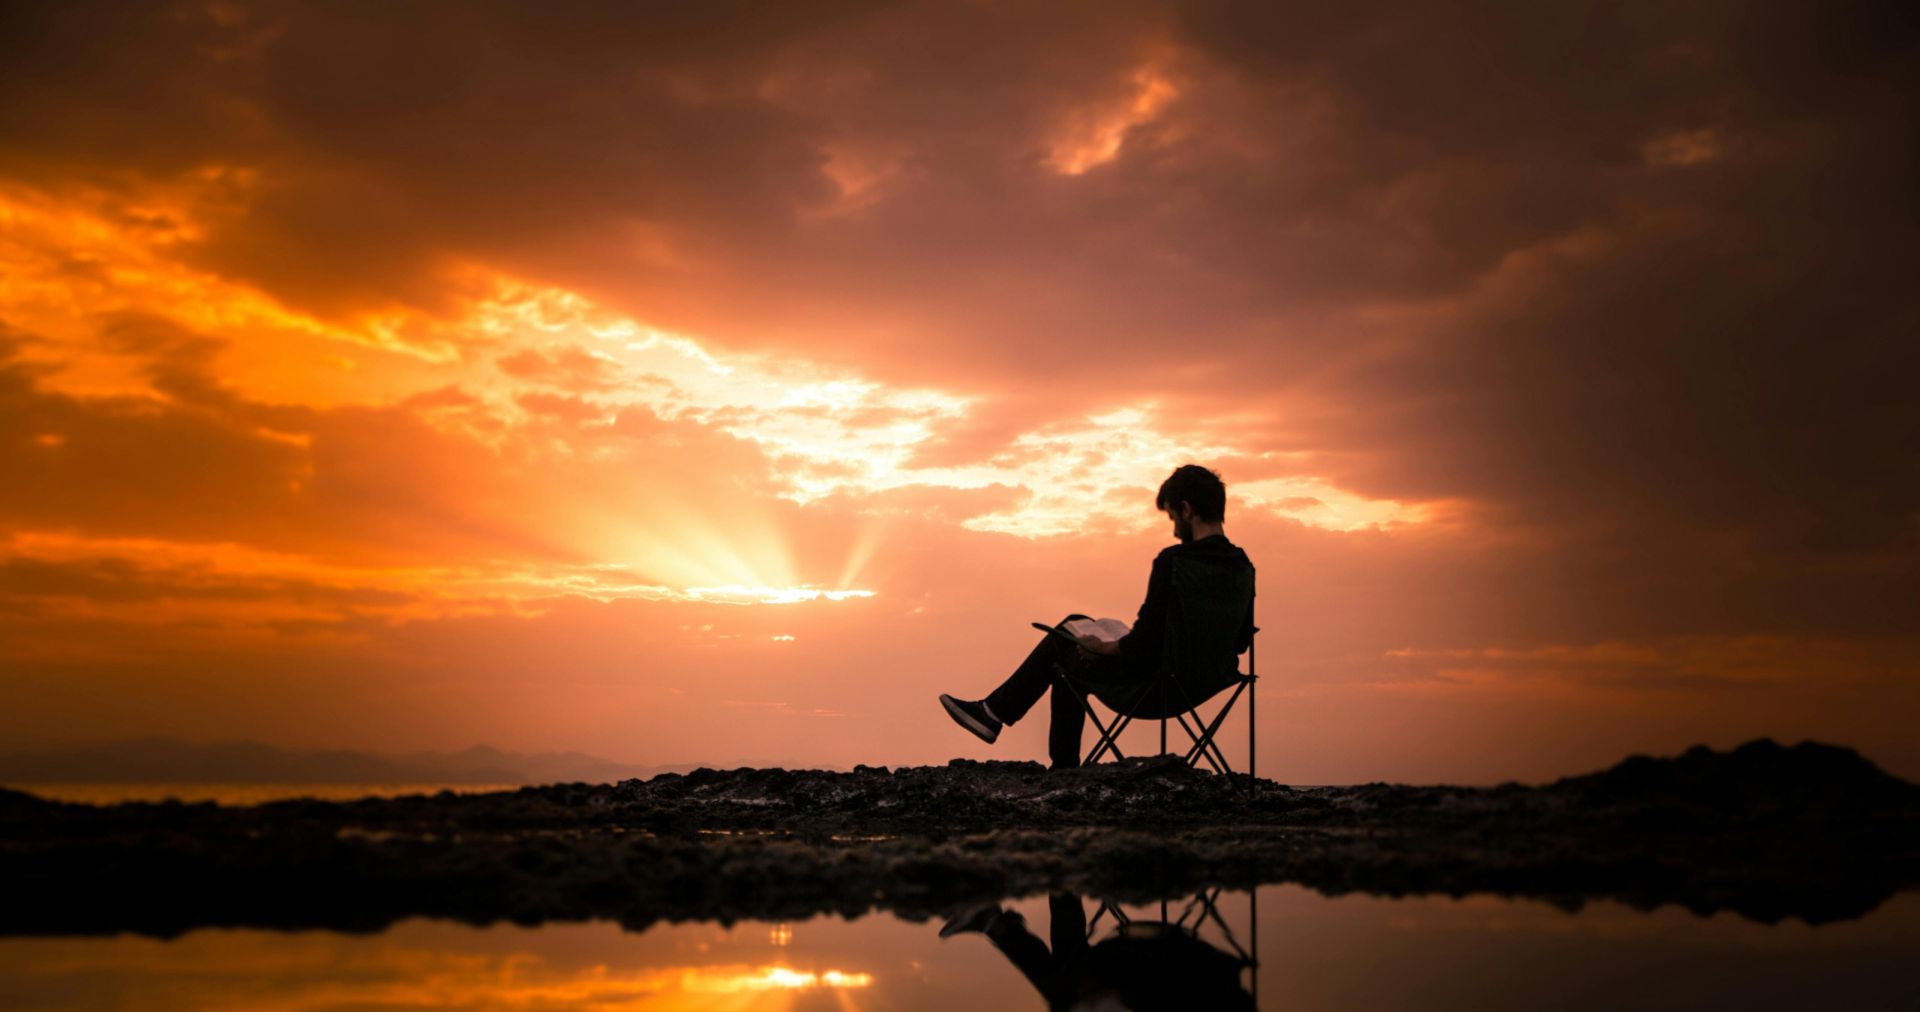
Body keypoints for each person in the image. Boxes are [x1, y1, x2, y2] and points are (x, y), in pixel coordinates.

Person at [938, 464, 1255, 769]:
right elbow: (1241, 642)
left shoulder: (1175, 563)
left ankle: (1011, 726)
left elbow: (1140, 645)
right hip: (1206, 684)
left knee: (1067, 647)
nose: (1174, 530)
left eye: (1173, 518)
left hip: (1155, 688)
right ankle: (998, 714)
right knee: (1074, 630)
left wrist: (1103, 647)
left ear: (1186, 509)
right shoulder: (1244, 567)